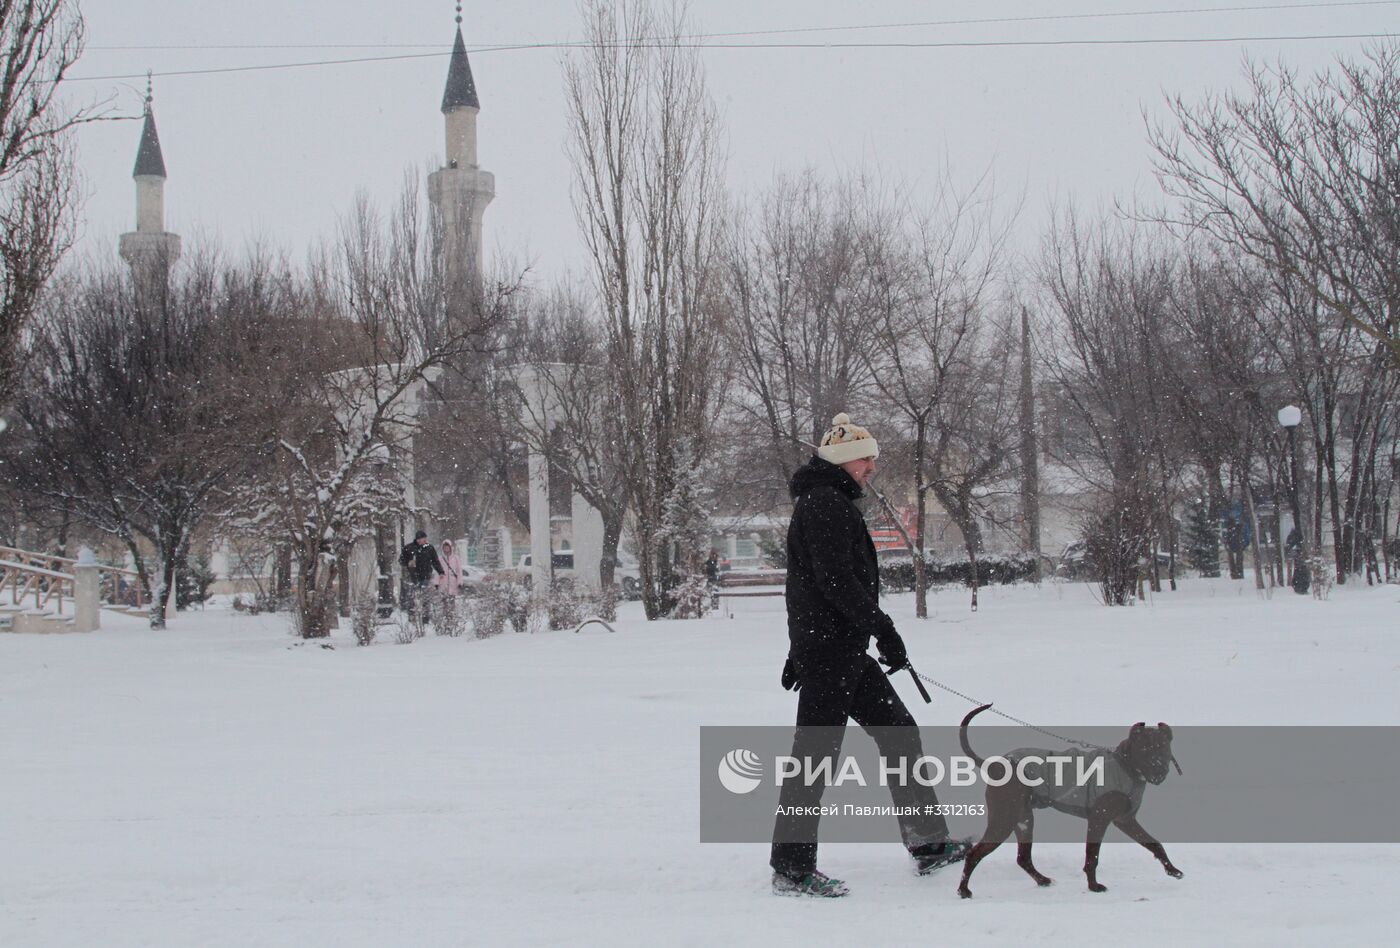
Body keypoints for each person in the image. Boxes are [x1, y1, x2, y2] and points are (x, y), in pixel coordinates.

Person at [770, 412, 971, 898]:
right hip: (832, 652)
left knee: (899, 733)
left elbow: (810, 585)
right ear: (843, 459)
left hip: (839, 649)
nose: (872, 467)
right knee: (815, 756)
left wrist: (807, 646)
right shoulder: (824, 505)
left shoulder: (829, 502)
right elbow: (833, 582)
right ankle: (792, 867)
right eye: (867, 458)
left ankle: (928, 844)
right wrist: (883, 629)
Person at [399, 529, 444, 625]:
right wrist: (408, 562)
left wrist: (440, 571)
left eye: (424, 538)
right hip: (413, 576)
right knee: (412, 598)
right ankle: (412, 617)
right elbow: (401, 560)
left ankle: (425, 618)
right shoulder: (409, 548)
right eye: (422, 539)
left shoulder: (429, 548)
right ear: (417, 539)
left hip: (426, 576)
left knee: (426, 598)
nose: (423, 540)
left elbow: (435, 561)